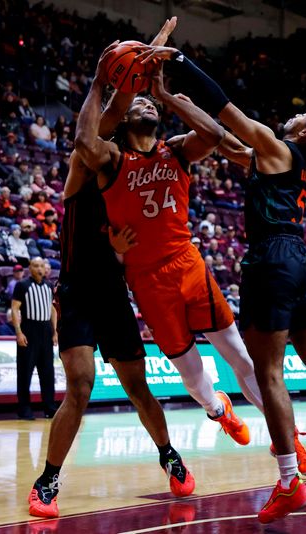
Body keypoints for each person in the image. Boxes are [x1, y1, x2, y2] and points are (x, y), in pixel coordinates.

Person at [138, 43, 306, 528]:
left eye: (305, 112)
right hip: (301, 260)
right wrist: (166, 98)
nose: (296, 111)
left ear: (305, 130)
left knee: (269, 372)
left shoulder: (278, 147)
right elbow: (220, 140)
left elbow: (223, 109)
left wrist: (178, 63)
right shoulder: (279, 162)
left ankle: (288, 481)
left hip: (271, 261)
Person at [74, 41, 306, 484]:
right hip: (147, 279)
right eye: (141, 102)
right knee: (193, 372)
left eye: (152, 103)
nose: (147, 104)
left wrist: (168, 95)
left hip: (188, 264)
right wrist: (101, 83)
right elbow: (83, 141)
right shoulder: (112, 159)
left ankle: (290, 440)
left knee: (242, 357)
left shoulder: (177, 149)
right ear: (127, 116)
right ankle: (217, 409)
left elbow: (212, 135)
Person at [27, 20, 201, 520]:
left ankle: (168, 453)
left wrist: (146, 66)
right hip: (79, 290)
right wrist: (107, 77)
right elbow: (101, 122)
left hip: (114, 293)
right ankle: (48, 479)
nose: (137, 112)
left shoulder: (140, 174)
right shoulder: (90, 165)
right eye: (129, 113)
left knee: (137, 388)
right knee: (79, 386)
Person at [11, 257, 58, 421]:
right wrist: (18, 332)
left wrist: (55, 331)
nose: (40, 269)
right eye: (36, 266)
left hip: (46, 330)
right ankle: (24, 409)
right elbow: (15, 308)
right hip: (29, 330)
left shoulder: (49, 286)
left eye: (42, 266)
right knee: (25, 372)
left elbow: (52, 309)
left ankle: (50, 408)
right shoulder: (22, 285)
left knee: (48, 372)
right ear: (30, 268)